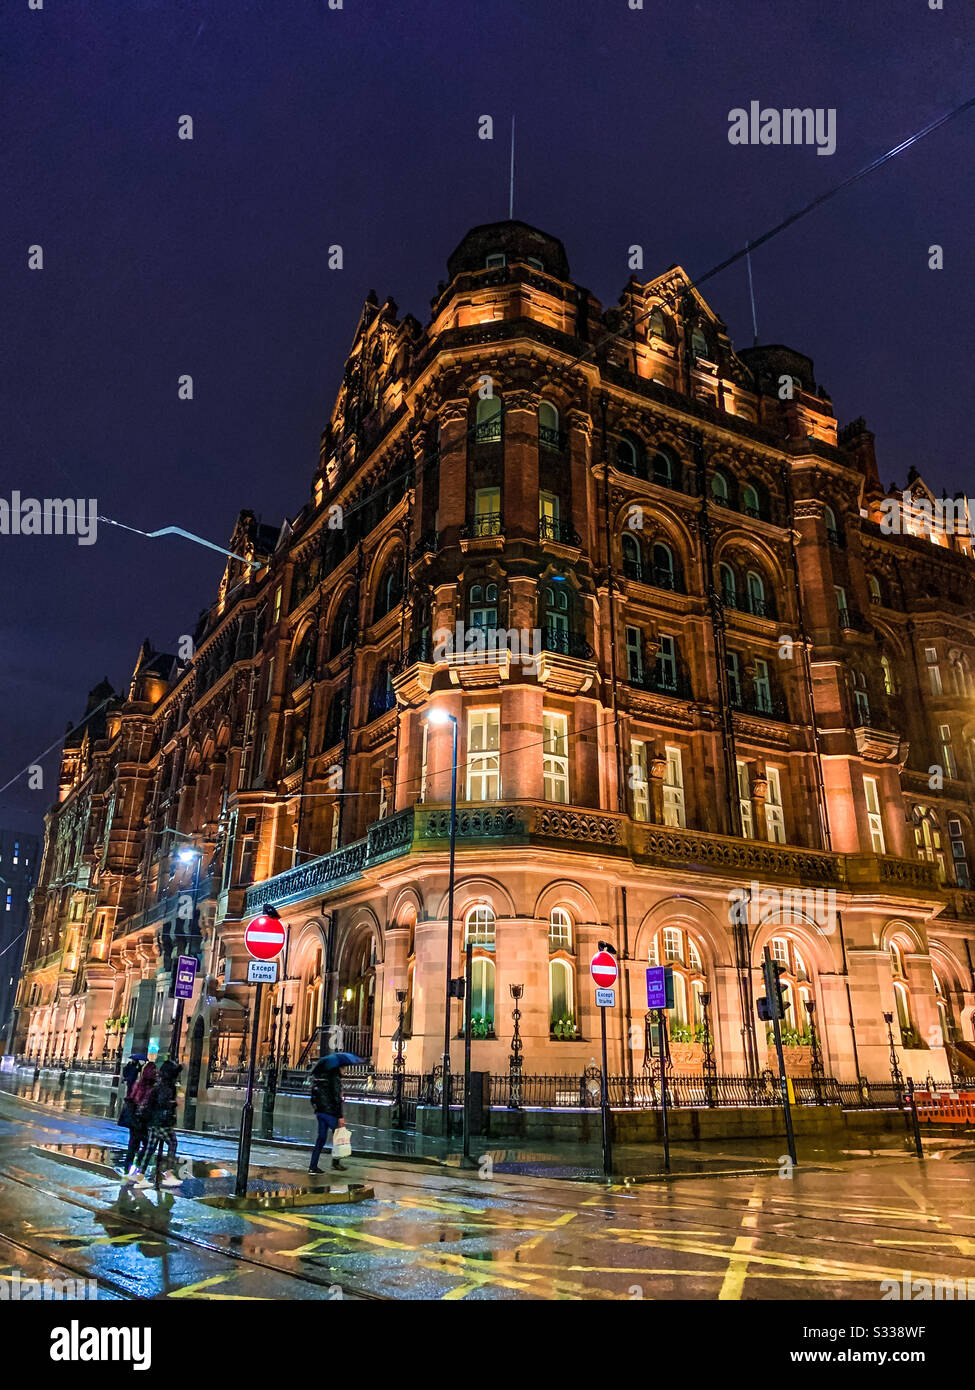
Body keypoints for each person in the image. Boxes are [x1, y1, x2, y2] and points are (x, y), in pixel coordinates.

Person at [140, 1059, 182, 1187]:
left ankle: (139, 1175)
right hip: (161, 1122)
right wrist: (175, 1103)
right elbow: (163, 1103)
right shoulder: (167, 1086)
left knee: (150, 1149)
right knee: (172, 1143)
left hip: (154, 1121)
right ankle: (168, 1173)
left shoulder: (160, 1085)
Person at [308, 1053, 347, 1173]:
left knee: (321, 1138)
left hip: (320, 1112)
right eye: (343, 1068)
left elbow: (313, 1096)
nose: (344, 1070)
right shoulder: (334, 1079)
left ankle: (312, 1166)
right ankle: (336, 1162)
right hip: (330, 1113)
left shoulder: (319, 1078)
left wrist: (317, 1108)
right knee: (339, 1136)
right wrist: (340, 1116)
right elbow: (336, 1098)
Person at [123, 1059, 157, 1179]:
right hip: (144, 1121)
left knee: (133, 1144)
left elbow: (131, 1099)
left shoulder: (138, 1084)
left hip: (134, 1119)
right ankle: (136, 1167)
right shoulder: (152, 1088)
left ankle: (127, 1169)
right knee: (148, 1145)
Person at [116, 1057, 143, 1176]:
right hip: (137, 1117)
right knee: (140, 1142)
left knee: (134, 1142)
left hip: (134, 1116)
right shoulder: (130, 1066)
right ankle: (135, 1167)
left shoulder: (137, 1068)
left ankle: (129, 1166)